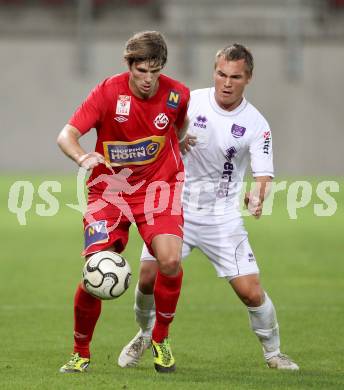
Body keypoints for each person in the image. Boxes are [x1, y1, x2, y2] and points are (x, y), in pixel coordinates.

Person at [118, 43, 299, 371]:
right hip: (173, 207)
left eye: (235, 77)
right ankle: (145, 334)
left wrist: (258, 195)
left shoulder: (257, 124)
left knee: (251, 292)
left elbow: (263, 174)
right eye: (221, 74)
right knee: (146, 279)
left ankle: (273, 353)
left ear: (248, 79)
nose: (226, 82)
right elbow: (157, 133)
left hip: (222, 217)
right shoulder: (187, 101)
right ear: (213, 72)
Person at [57, 31, 190, 374]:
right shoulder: (106, 93)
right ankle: (80, 352)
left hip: (158, 189)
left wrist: (179, 143)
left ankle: (159, 339)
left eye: (155, 71)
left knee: (171, 260)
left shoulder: (177, 95)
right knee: (95, 271)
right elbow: (66, 135)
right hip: (109, 192)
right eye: (141, 70)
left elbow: (179, 124)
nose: (148, 79)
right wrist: (82, 158)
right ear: (128, 65)